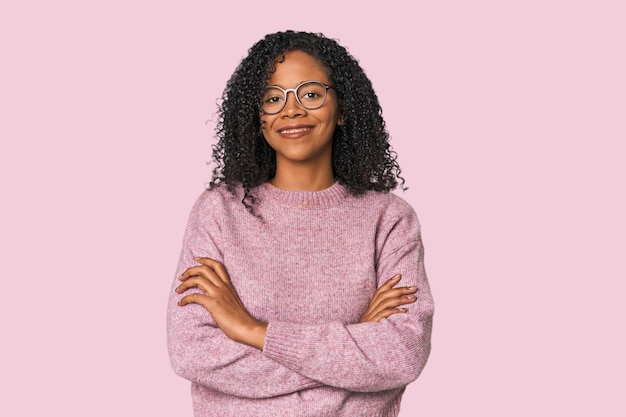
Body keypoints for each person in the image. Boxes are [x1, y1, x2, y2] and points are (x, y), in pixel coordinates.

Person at [167, 30, 434, 417]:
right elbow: (192, 352)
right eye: (273, 99)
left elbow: (403, 354)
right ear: (257, 117)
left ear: (342, 108)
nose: (290, 111)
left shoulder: (390, 219)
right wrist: (352, 347)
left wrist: (252, 331)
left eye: (310, 94)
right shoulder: (219, 212)